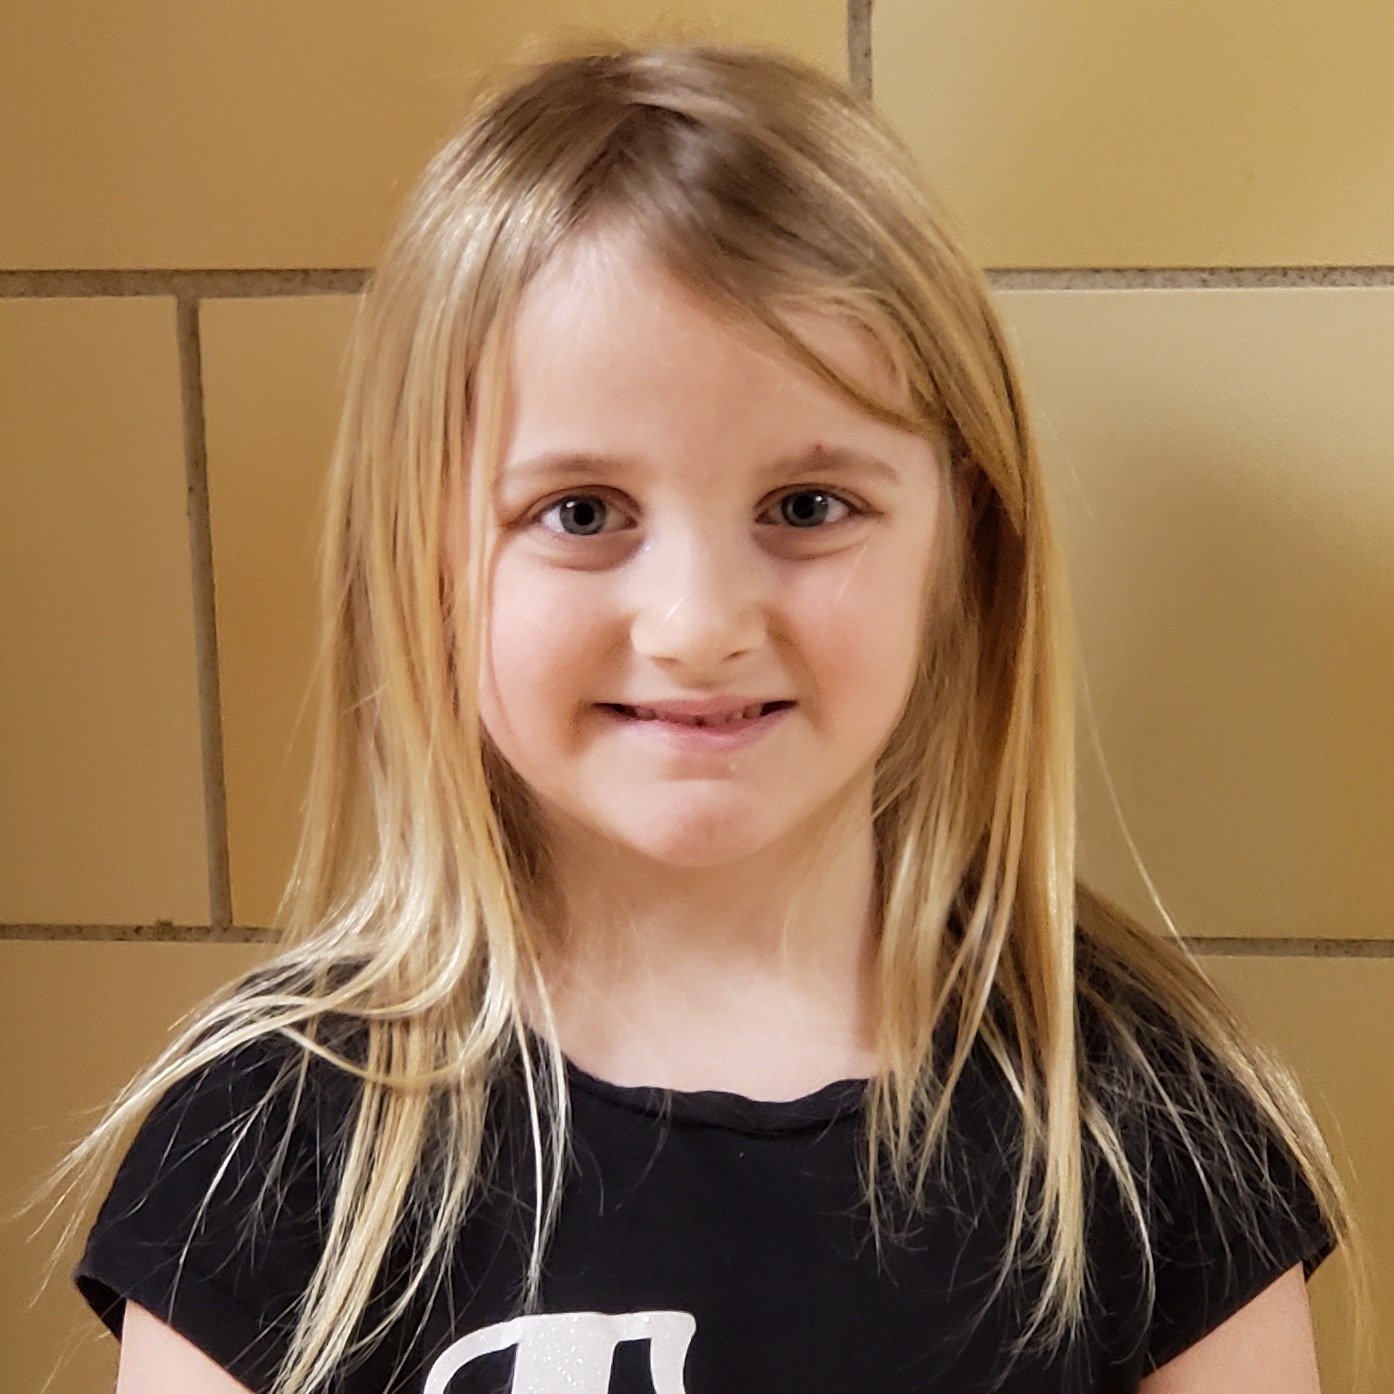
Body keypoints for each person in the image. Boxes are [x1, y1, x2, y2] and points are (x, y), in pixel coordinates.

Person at [53, 41, 1363, 1394]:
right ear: (424, 560)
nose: (695, 621)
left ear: (959, 544)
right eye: (579, 512)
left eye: (805, 507)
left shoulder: (1146, 1139)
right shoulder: (267, 1144)